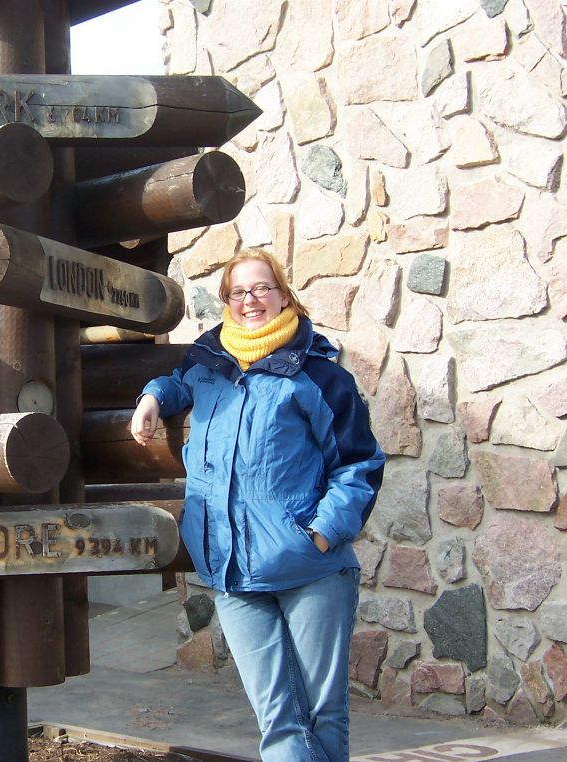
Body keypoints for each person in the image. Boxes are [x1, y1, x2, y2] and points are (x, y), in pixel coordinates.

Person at [131, 248, 385, 762]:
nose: (250, 300)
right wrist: (152, 398)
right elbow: (178, 383)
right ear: (227, 300)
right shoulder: (208, 362)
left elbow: (358, 464)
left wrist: (320, 534)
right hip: (231, 572)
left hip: (310, 568)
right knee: (278, 719)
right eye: (238, 291)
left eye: (262, 288)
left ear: (284, 296)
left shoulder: (320, 376)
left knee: (321, 714)